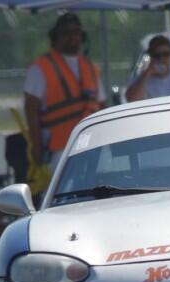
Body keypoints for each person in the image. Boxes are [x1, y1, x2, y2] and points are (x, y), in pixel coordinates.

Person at [24, 12, 106, 174]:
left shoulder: (89, 66)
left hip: (91, 142)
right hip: (58, 146)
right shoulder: (41, 67)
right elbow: (31, 108)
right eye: (66, 32)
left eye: (76, 32)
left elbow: (101, 104)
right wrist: (37, 144)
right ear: (56, 36)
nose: (72, 36)